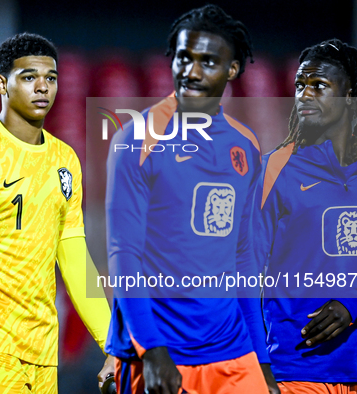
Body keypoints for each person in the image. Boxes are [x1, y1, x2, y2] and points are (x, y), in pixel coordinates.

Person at [104, 5, 278, 394]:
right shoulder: (136, 140)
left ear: (232, 70)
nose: (192, 72)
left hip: (232, 351)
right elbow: (123, 253)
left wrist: (262, 358)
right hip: (161, 353)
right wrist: (152, 351)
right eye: (184, 58)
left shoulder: (245, 146)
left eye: (208, 62)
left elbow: (243, 256)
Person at [0, 32, 114, 394]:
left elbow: (75, 260)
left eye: (51, 78)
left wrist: (113, 343)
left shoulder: (65, 160)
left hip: (44, 348)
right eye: (29, 77)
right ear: (2, 84)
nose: (42, 87)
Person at [256, 38, 357, 394]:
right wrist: (259, 366)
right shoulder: (274, 169)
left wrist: (354, 301)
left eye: (318, 85)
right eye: (300, 85)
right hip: (291, 368)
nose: (304, 94)